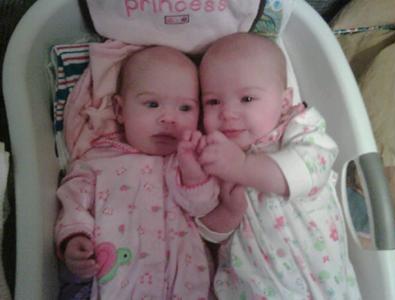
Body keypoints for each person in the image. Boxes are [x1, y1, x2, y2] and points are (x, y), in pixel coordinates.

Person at [196, 33, 362, 299]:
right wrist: (228, 212)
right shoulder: (213, 157)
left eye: (247, 99)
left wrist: (241, 166)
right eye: (213, 101)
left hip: (326, 285)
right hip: (253, 288)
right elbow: (207, 235)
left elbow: (311, 168)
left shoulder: (298, 130)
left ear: (284, 102)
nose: (227, 112)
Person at [54, 46, 220, 299]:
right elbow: (72, 200)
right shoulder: (97, 161)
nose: (169, 118)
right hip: (116, 284)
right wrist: (74, 236)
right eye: (152, 104)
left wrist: (193, 173)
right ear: (119, 111)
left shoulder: (188, 161)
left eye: (185, 108)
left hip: (187, 286)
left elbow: (204, 208)